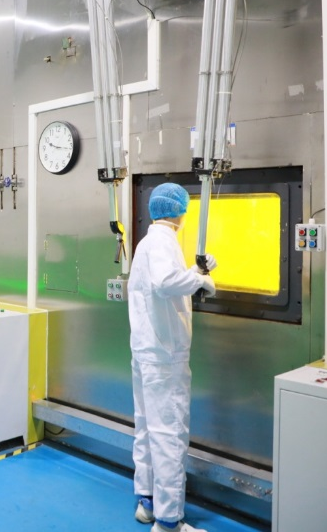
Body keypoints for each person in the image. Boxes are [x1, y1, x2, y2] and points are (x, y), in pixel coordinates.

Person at [127, 183, 217, 532]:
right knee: (169, 434)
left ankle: (147, 501)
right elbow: (166, 282)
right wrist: (199, 281)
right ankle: (168, 522)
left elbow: (161, 282)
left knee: (147, 427)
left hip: (146, 351)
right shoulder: (164, 242)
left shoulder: (147, 242)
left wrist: (196, 272)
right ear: (179, 210)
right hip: (165, 356)